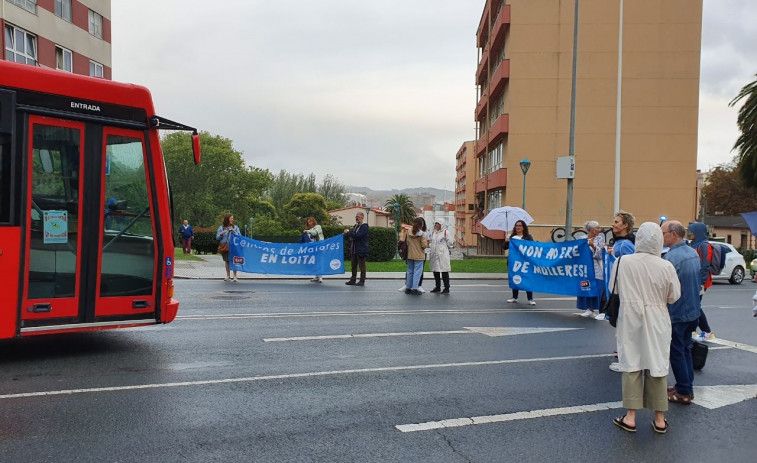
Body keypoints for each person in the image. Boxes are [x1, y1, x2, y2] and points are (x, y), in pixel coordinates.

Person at [612, 222, 680, 435]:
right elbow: (673, 296)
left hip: (630, 316)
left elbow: (613, 289)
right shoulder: (666, 265)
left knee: (631, 362)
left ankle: (630, 417)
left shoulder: (623, 261)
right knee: (657, 363)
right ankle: (659, 418)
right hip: (657, 316)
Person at [662, 220, 702, 405]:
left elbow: (665, 288)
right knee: (684, 349)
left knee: (676, 351)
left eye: (663, 233)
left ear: (674, 234)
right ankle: (686, 387)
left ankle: (683, 391)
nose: (662, 237)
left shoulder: (672, 258)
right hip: (693, 310)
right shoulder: (692, 252)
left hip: (677, 312)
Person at [688, 222, 715, 340]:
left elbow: (705, 264)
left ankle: (705, 331)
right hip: (696, 280)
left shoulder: (704, 245)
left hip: (700, 281)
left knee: (695, 306)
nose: (690, 234)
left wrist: (701, 283)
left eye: (692, 232)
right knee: (695, 306)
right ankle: (704, 331)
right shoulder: (696, 244)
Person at [505, 220, 536, 305]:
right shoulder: (512, 237)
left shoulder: (528, 237)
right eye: (516, 225)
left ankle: (530, 299)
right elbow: (504, 247)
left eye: (520, 225)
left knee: (527, 279)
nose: (517, 227)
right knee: (515, 278)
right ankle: (514, 297)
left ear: (523, 227)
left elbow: (533, 247)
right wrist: (507, 241)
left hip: (525, 262)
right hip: (514, 262)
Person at [579, 221, 605, 317]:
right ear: (592, 230)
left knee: (597, 287)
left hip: (596, 267)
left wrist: (593, 246)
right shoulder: (582, 238)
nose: (599, 230)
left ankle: (595, 308)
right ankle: (588, 308)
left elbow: (599, 255)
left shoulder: (599, 239)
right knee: (586, 287)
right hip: (585, 268)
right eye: (598, 228)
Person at [402, 217, 429, 295]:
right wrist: (427, 243)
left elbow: (406, 242)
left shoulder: (408, 232)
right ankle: (415, 288)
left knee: (410, 271)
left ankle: (408, 288)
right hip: (419, 255)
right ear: (421, 225)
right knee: (417, 272)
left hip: (410, 255)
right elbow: (424, 245)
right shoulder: (422, 234)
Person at [344, 211, 369, 286]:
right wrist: (350, 237)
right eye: (356, 217)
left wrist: (348, 233)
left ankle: (362, 281)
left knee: (362, 265)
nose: (356, 218)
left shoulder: (365, 227)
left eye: (357, 217)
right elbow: (354, 235)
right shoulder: (356, 226)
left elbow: (358, 236)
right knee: (353, 265)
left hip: (361, 249)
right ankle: (353, 279)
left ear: (362, 217)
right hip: (355, 248)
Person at [428, 219, 453, 294]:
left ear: (441, 225)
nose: (436, 225)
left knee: (444, 271)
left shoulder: (446, 233)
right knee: (436, 271)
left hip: (442, 255)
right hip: (434, 255)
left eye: (438, 224)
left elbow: (450, 243)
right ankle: (437, 287)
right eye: (435, 224)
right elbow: (431, 242)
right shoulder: (433, 233)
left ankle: (446, 287)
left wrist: (443, 248)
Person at [216, 213, 240, 282]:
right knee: (227, 261)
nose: (232, 219)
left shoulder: (235, 227)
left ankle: (235, 276)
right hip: (225, 246)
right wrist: (221, 234)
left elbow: (239, 236)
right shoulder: (221, 228)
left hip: (234, 246)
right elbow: (217, 237)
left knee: (234, 261)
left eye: (233, 218)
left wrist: (234, 233)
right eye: (231, 218)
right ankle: (228, 276)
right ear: (227, 219)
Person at [304, 217, 325, 283]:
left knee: (320, 261)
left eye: (310, 222)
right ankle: (316, 276)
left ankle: (321, 277)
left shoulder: (318, 226)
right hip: (314, 247)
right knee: (315, 261)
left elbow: (315, 233)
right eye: (308, 222)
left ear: (314, 221)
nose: (309, 223)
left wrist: (307, 231)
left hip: (320, 246)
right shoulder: (310, 229)